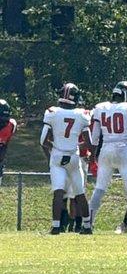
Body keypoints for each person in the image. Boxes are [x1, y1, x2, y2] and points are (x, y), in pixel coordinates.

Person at [89, 81, 127, 234]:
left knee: (100, 189)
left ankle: (87, 225)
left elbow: (95, 138)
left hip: (106, 149)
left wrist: (93, 154)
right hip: (123, 149)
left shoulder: (100, 108)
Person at [40, 83, 92, 235]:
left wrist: (53, 149)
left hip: (57, 155)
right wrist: (80, 147)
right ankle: (87, 226)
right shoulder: (82, 114)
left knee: (58, 191)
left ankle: (56, 226)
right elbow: (89, 142)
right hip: (73, 156)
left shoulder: (52, 112)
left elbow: (42, 140)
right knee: (80, 192)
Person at [0, 99, 17, 185]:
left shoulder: (11, 126)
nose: (4, 121)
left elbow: (5, 144)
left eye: (6, 118)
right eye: (1, 118)